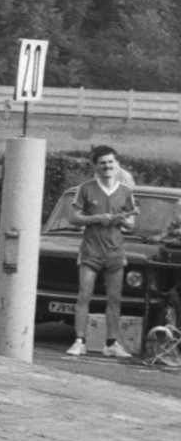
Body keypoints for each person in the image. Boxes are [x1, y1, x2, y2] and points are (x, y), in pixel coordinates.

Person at [65, 145, 138, 358]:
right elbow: (73, 218)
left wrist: (125, 221)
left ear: (117, 165)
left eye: (110, 162)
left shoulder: (125, 191)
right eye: (102, 163)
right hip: (91, 251)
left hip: (115, 251)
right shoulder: (86, 188)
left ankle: (112, 343)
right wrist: (97, 218)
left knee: (114, 298)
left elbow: (132, 223)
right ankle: (79, 341)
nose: (107, 166)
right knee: (84, 295)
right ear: (95, 166)